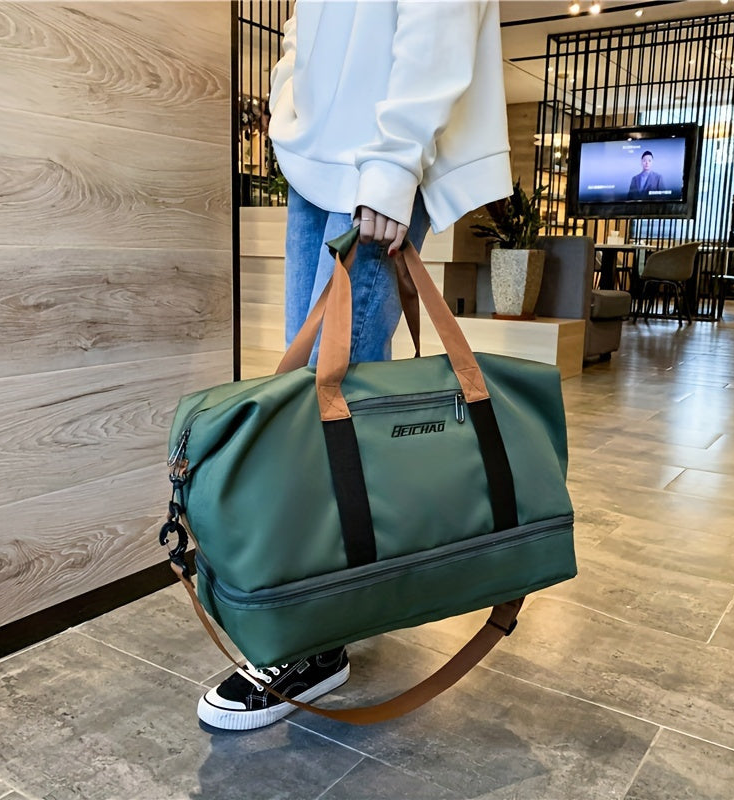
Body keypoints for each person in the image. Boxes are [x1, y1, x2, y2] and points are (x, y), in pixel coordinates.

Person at [197, 0, 513, 732]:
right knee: (310, 398)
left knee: (329, 403)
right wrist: (290, 101)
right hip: (318, 158)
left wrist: (395, 160)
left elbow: (439, 15)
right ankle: (330, 600)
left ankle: (318, 636)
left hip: (376, 156)